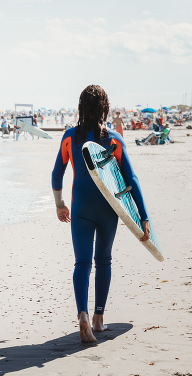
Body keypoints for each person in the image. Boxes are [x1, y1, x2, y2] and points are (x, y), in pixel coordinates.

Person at [51, 85, 149, 344]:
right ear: (105, 108)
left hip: (81, 208)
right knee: (103, 261)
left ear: (81, 108)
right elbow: (131, 180)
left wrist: (60, 204)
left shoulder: (70, 137)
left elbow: (56, 174)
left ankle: (82, 314)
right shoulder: (114, 139)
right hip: (108, 210)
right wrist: (143, 217)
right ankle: (98, 319)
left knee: (82, 263)